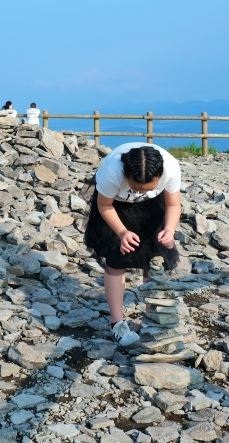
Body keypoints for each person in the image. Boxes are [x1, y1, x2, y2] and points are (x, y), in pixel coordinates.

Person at [83, 143, 182, 347]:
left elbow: (173, 204)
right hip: (114, 206)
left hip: (153, 206)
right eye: (136, 189)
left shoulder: (170, 168)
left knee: (153, 260)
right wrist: (122, 232)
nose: (140, 193)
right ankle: (117, 323)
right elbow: (104, 205)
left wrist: (170, 230)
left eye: (149, 188)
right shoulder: (112, 173)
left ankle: (151, 318)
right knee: (116, 260)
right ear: (126, 176)